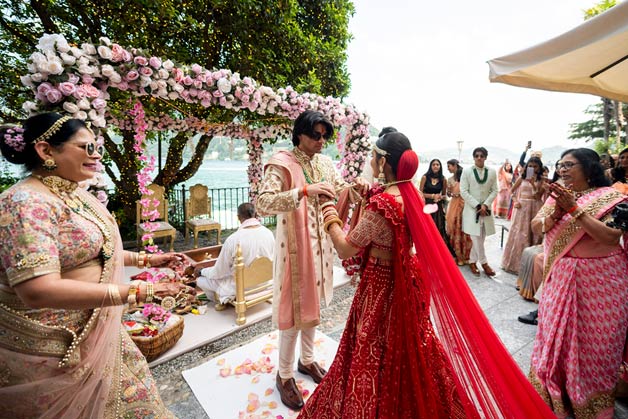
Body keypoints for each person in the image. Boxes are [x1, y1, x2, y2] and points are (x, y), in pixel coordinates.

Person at [298, 132, 555, 419]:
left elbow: (346, 249)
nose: (370, 160)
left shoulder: (383, 204)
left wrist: (329, 213)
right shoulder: (412, 193)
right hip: (410, 279)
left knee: (373, 346)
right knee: (410, 347)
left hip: (382, 284)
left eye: (373, 155)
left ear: (383, 162)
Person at [0, 113, 186, 418]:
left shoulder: (75, 196)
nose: (96, 155)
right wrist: (140, 291)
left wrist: (148, 259)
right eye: (87, 148)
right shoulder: (26, 203)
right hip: (53, 350)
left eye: (96, 147)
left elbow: (99, 250)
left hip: (97, 334)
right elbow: (37, 289)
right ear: (46, 151)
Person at [256, 110, 366, 410]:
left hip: (320, 251)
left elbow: (341, 192)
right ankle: (284, 374)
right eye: (315, 135)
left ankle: (306, 361)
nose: (321, 141)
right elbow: (263, 202)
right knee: (293, 311)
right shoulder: (281, 163)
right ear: (299, 135)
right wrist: (304, 191)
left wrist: (354, 190)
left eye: (325, 136)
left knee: (313, 304)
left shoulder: (325, 163)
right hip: (294, 249)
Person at [529, 148, 628, 418]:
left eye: (569, 164)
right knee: (555, 336)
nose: (562, 169)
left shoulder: (615, 198)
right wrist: (555, 214)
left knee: (597, 341)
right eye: (560, 164)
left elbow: (610, 238)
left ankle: (590, 398)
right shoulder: (557, 195)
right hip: (561, 277)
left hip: (602, 280)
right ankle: (556, 389)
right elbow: (537, 225)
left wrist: (575, 210)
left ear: (589, 167)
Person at [196, 202, 275, 304]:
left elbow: (218, 272)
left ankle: (222, 301)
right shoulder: (268, 233)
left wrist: (202, 271)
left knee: (201, 280)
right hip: (266, 283)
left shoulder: (233, 239)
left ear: (238, 217)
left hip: (242, 288)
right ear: (255, 215)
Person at [501, 156, 545, 274]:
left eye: (535, 166)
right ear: (527, 167)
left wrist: (534, 184)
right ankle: (515, 265)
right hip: (522, 208)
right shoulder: (522, 178)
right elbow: (511, 191)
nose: (532, 168)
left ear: (539, 167)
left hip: (535, 207)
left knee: (533, 233)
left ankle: (530, 267)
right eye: (530, 166)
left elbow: (537, 196)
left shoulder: (541, 180)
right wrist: (515, 201)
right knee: (520, 233)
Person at [460, 147, 499, 277]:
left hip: (485, 211)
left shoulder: (492, 172)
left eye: (481, 155)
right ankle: (484, 263)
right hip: (472, 211)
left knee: (481, 238)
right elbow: (463, 191)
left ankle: (472, 261)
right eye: (476, 155)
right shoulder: (467, 171)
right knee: (475, 237)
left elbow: (495, 190)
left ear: (485, 157)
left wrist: (486, 205)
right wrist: (477, 205)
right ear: (473, 157)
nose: (479, 158)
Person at [419, 158, 450, 250]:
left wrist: (440, 197)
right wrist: (432, 196)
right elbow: (420, 193)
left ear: (440, 167)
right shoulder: (425, 177)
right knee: (426, 227)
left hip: (437, 207)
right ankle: (426, 248)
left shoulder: (443, 179)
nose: (436, 166)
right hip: (426, 206)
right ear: (430, 166)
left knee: (438, 227)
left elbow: (444, 195)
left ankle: (437, 249)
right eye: (434, 164)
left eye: (438, 164)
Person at [445, 159, 472, 265]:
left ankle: (466, 255)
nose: (448, 168)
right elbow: (449, 194)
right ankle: (457, 255)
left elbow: (469, 191)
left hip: (464, 205)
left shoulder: (464, 175)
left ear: (455, 165)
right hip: (454, 205)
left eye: (449, 166)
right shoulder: (450, 179)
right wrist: (449, 192)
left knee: (464, 229)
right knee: (454, 227)